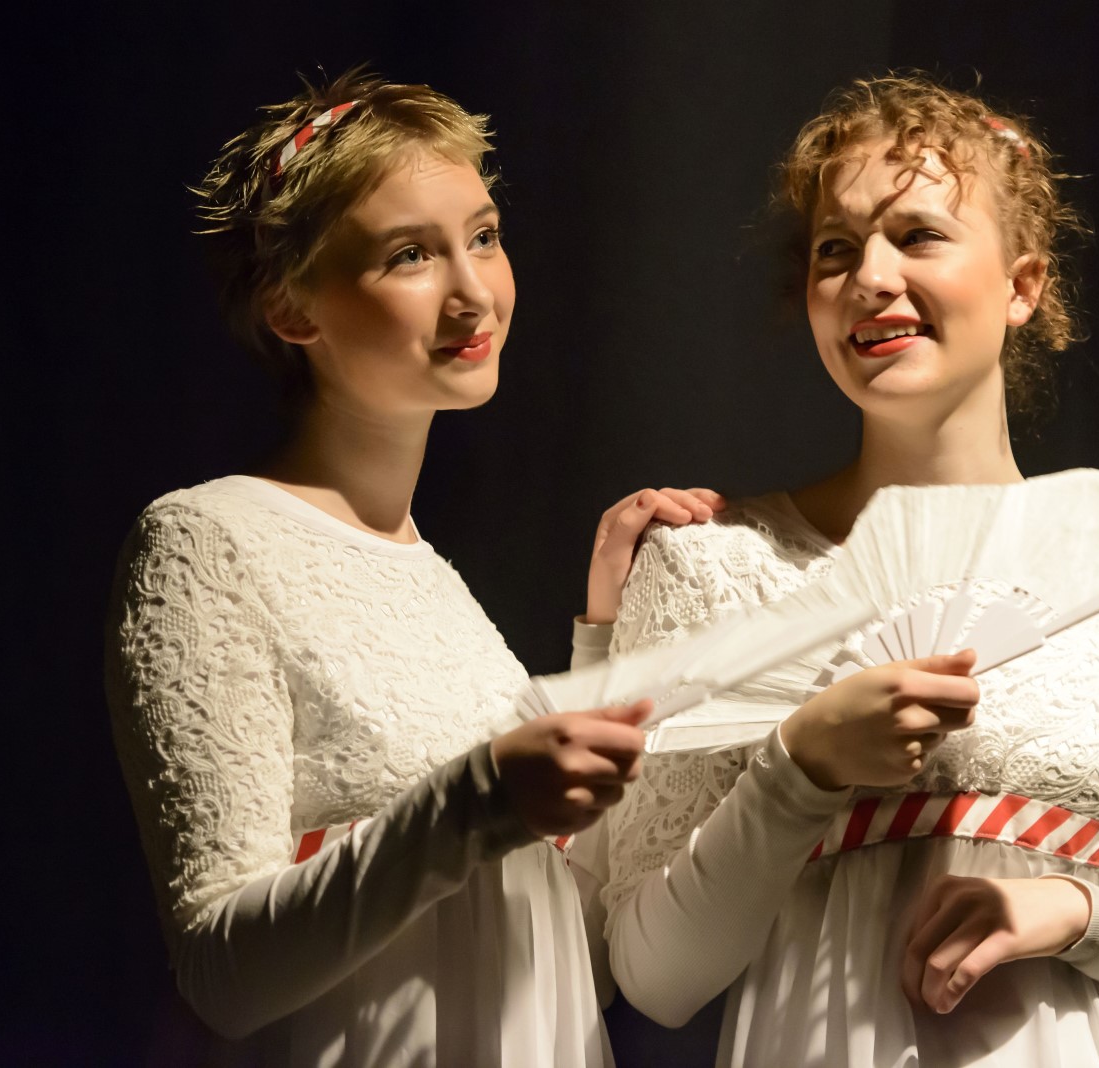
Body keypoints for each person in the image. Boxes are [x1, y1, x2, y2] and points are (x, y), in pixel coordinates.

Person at [581, 74, 1099, 1066]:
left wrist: (1082, 914)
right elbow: (653, 978)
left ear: (1022, 286)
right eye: (836, 249)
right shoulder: (714, 566)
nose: (869, 277)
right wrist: (801, 768)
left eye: (917, 235)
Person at [105, 70, 723, 1066]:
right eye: (410, 255)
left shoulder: (430, 575)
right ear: (292, 308)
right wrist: (478, 800)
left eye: (483, 236)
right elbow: (223, 972)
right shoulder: (208, 542)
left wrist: (606, 633)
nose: (474, 292)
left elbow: (566, 945)